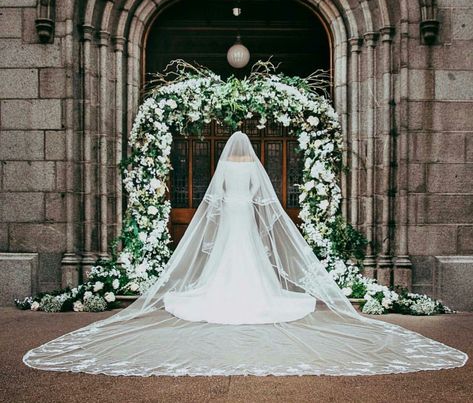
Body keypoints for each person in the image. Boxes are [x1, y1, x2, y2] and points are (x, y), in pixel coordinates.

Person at [24, 131, 467, 376]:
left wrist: (216, 223)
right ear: (249, 152)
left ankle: (219, 295)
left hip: (231, 219)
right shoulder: (252, 169)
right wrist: (264, 222)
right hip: (246, 221)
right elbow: (264, 203)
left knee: (223, 263)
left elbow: (211, 205)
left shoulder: (223, 170)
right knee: (251, 261)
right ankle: (256, 297)